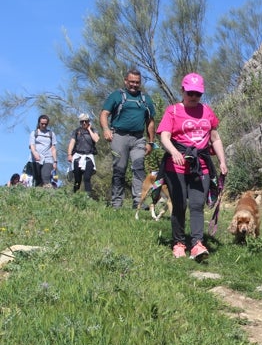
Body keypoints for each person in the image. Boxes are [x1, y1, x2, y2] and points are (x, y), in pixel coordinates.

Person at [157, 73, 228, 259]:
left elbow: (215, 138)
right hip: (176, 167)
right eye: (190, 93)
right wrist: (174, 152)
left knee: (197, 205)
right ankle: (179, 242)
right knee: (179, 205)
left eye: (198, 94)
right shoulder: (172, 111)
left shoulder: (207, 112)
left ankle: (197, 244)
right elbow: (164, 135)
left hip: (201, 165)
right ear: (182, 91)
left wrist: (222, 161)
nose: (194, 97)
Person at [100, 69, 156, 209]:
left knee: (139, 168)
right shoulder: (117, 96)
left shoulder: (145, 99)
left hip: (138, 139)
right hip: (119, 136)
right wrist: (106, 129)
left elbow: (150, 122)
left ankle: (139, 202)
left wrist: (151, 142)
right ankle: (116, 203)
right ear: (126, 81)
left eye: (137, 82)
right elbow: (104, 113)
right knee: (119, 169)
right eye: (131, 82)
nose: (134, 85)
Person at [67, 113, 100, 194]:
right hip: (78, 156)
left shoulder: (93, 130)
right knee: (77, 179)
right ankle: (75, 196)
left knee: (87, 178)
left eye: (86, 121)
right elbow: (72, 142)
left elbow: (96, 139)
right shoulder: (76, 131)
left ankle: (88, 198)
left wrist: (89, 130)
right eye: (82, 122)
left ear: (88, 121)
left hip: (88, 157)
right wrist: (69, 154)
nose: (84, 123)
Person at [29, 115, 58, 187]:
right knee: (37, 179)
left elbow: (53, 148)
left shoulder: (51, 134)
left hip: (48, 159)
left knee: (46, 177)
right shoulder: (34, 133)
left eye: (46, 124)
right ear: (39, 123)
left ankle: (48, 193)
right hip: (36, 159)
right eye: (42, 123)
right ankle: (38, 195)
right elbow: (32, 145)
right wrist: (35, 153)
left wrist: (55, 161)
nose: (44, 125)